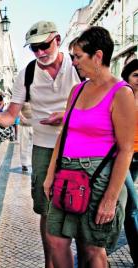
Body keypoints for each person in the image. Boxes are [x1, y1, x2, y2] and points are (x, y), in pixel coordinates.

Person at [0, 21, 80, 267]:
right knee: (46, 209)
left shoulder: (78, 65)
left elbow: (97, 106)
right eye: (34, 49)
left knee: (80, 204)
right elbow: (9, 115)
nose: (40, 53)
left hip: (78, 146)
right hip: (44, 147)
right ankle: (50, 263)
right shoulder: (26, 73)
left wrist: (66, 115)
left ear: (58, 39)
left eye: (44, 46)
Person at [43, 26, 134, 267]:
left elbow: (126, 149)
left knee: (92, 247)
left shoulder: (121, 93)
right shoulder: (77, 90)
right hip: (67, 173)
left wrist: (110, 198)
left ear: (98, 56)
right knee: (55, 239)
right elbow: (64, 135)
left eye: (78, 56)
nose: (73, 62)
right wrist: (51, 174)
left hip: (98, 176)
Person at [121, 58, 138, 266]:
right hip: (123, 156)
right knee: (133, 205)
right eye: (136, 75)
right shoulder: (121, 98)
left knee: (125, 207)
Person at [19, 102, 33, 172]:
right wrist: (22, 118)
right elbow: (18, 110)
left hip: (35, 126)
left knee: (36, 146)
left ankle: (35, 163)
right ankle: (24, 164)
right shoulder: (24, 98)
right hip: (24, 126)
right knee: (24, 145)